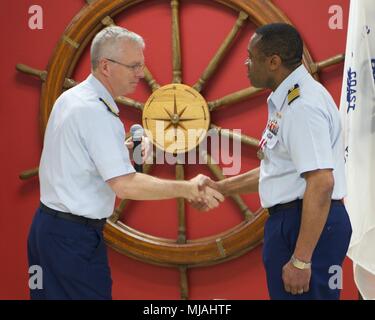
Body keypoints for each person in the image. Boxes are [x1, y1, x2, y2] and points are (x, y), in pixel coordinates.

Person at [27, 26, 223, 300]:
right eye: (133, 66)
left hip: (48, 228)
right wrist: (187, 188)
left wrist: (118, 151)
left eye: (141, 66)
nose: (140, 74)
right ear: (106, 66)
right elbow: (125, 185)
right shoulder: (96, 112)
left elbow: (77, 158)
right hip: (73, 239)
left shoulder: (72, 98)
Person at [204, 23, 352, 299]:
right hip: (296, 221)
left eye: (251, 57)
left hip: (304, 225)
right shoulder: (290, 100)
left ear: (273, 62)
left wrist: (301, 260)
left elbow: (321, 182)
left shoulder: (302, 107)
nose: (246, 64)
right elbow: (280, 171)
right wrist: (221, 188)